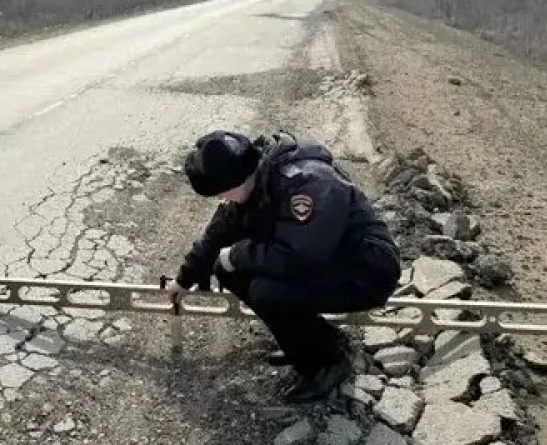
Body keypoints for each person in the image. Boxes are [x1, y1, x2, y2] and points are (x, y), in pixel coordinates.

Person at [167, 129, 401, 403]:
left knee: (268, 292)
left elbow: (302, 257)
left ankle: (327, 364)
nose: (223, 200)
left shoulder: (308, 185)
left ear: (240, 179)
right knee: (228, 270)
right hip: (327, 262)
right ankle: (312, 343)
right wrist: (183, 280)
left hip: (366, 271)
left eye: (223, 193)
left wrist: (240, 253)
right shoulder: (254, 178)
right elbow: (218, 234)